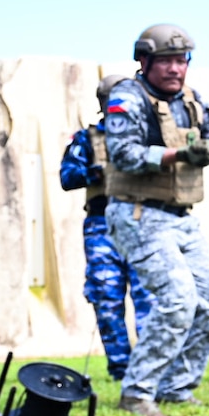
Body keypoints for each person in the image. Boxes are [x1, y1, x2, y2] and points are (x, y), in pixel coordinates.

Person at [102, 23, 209, 416]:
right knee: (178, 300)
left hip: (181, 217)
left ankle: (176, 387)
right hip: (138, 213)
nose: (176, 69)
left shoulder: (192, 100)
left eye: (182, 60)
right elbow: (122, 153)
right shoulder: (127, 97)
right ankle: (137, 392)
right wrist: (177, 156)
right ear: (144, 61)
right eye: (166, 61)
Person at [58, 74, 153, 381]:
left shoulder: (149, 135)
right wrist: (92, 173)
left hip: (142, 223)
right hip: (102, 225)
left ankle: (149, 367)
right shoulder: (86, 139)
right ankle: (121, 369)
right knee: (106, 296)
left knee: (148, 298)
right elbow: (67, 177)